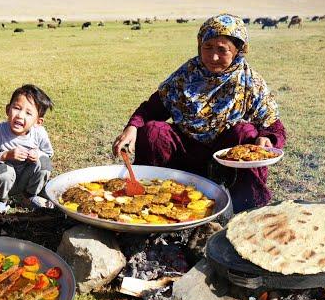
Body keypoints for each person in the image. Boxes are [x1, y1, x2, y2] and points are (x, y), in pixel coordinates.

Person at [112, 13, 287, 213]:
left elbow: (272, 125)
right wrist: (133, 127)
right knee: (153, 131)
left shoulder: (250, 83)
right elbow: (152, 108)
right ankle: (152, 199)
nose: (213, 57)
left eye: (223, 50)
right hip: (183, 156)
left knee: (246, 133)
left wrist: (267, 140)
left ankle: (243, 209)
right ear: (199, 45)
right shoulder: (185, 76)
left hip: (226, 162)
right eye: (208, 47)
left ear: (238, 51)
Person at [0, 84, 55, 210]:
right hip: (3, 182)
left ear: (38, 121)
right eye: (17, 108)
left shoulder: (39, 133)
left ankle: (29, 196)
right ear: (7, 109)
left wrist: (37, 154)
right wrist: (5, 155)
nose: (20, 115)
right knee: (4, 170)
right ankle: (1, 200)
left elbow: (48, 153)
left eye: (28, 113)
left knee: (44, 163)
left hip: (27, 177)